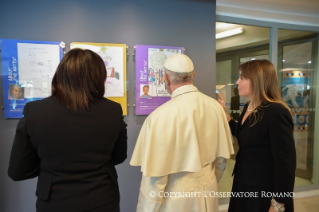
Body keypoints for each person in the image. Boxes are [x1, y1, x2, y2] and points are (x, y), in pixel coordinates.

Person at [8, 49, 127, 212]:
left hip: (53, 201)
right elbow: (119, 157)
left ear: (60, 75)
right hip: (103, 199)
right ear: (100, 77)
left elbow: (18, 170)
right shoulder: (112, 110)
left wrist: (50, 165)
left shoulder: (35, 111)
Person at [130, 53, 234, 212]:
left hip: (177, 202)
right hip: (210, 193)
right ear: (193, 76)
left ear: (167, 78)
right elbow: (221, 161)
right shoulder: (215, 107)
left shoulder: (158, 117)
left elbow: (155, 180)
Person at [217, 59, 296, 212]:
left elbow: (286, 163)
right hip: (243, 181)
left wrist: (278, 203)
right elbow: (243, 134)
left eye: (242, 78)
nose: (237, 83)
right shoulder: (249, 106)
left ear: (258, 80)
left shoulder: (276, 111)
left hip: (263, 189)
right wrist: (225, 115)